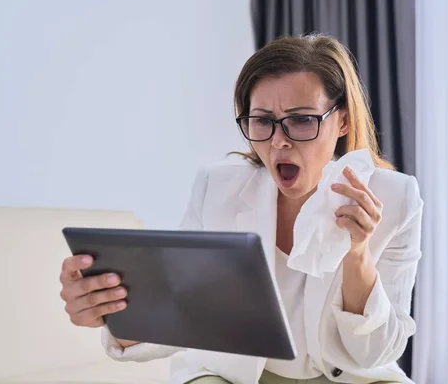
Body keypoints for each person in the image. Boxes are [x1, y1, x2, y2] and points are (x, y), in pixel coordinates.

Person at [59, 34, 423, 384]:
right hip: (231, 376)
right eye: (262, 121)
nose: (279, 141)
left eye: (301, 119)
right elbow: (186, 311)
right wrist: (113, 318)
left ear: (341, 120)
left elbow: (375, 352)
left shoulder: (396, 198)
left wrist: (357, 254)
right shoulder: (217, 189)